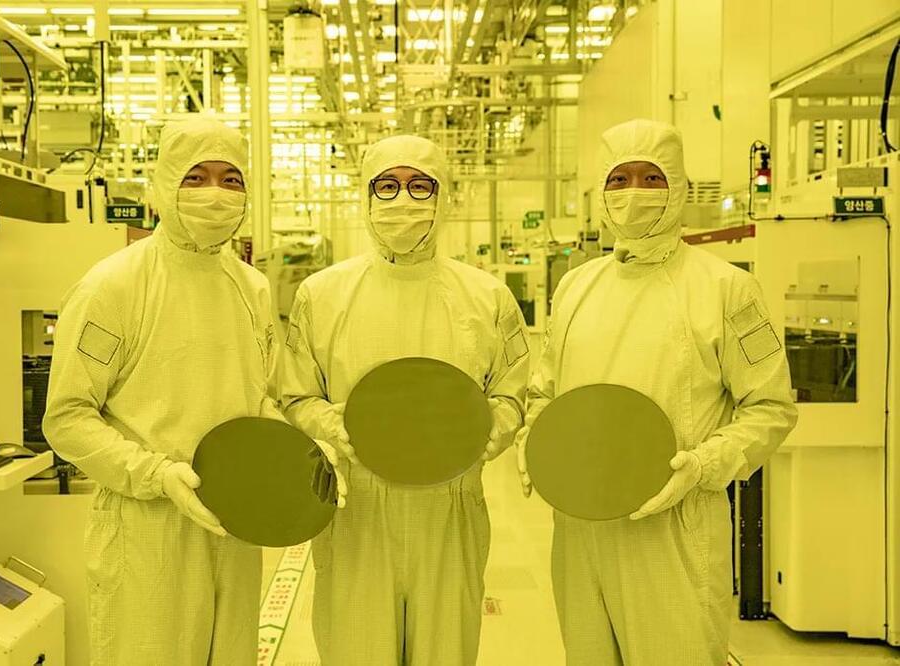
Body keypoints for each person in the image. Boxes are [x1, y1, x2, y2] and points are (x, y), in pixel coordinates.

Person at [516, 119, 798, 665]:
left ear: (679, 187)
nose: (634, 193)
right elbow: (546, 390)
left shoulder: (727, 288)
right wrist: (535, 436)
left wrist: (704, 465)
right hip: (580, 529)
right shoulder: (576, 287)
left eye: (651, 178)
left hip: (674, 530)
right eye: (619, 179)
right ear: (601, 192)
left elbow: (771, 407)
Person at [279, 135, 529, 665]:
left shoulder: (486, 297)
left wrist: (491, 428)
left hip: (452, 505)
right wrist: (330, 424)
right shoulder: (322, 295)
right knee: (355, 651)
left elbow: (512, 392)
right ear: (366, 196)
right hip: (356, 507)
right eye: (387, 186)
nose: (403, 200)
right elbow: (295, 395)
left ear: (442, 197)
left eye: (420, 186)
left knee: (447, 652)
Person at [43, 117, 277, 665]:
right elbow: (68, 417)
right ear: (165, 184)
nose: (215, 194)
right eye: (196, 177)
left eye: (231, 179)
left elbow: (260, 395)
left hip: (234, 523)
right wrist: (156, 474)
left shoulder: (252, 288)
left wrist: (296, 446)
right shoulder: (113, 286)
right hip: (147, 529)